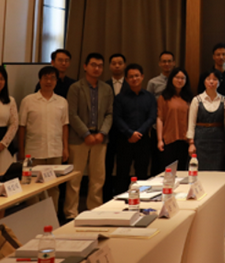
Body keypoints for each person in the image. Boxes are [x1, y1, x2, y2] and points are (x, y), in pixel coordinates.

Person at [65, 53, 114, 220]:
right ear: (85, 66)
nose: (97, 68)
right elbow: (72, 114)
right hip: (79, 139)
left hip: (100, 139)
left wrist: (102, 133)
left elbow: (109, 114)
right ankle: (71, 213)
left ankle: (95, 211)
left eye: (100, 65)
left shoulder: (107, 89)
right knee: (75, 179)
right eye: (93, 65)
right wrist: (86, 133)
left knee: (98, 178)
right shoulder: (75, 88)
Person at [18, 66, 69, 210]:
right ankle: (35, 218)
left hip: (55, 151)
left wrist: (65, 148)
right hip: (33, 152)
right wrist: (21, 151)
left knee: (53, 188)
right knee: (32, 188)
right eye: (45, 78)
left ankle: (52, 219)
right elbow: (22, 127)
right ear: (39, 80)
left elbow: (65, 126)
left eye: (52, 78)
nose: (49, 81)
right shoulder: (28, 100)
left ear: (56, 81)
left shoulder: (62, 102)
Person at [114, 64, 157, 194]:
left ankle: (142, 199)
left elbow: (152, 117)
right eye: (131, 77)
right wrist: (130, 133)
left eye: (137, 76)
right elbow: (117, 118)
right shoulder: (120, 98)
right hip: (124, 140)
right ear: (126, 79)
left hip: (143, 140)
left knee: (142, 173)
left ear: (142, 76)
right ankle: (119, 201)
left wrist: (139, 133)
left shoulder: (149, 97)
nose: (134, 79)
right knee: (122, 172)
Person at [188, 70, 225, 171]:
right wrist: (191, 143)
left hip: (218, 141)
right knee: (200, 169)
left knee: (218, 170)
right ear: (204, 82)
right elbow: (191, 123)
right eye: (208, 79)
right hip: (200, 140)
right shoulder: (196, 100)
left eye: (215, 79)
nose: (211, 82)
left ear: (219, 82)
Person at [157, 68, 192, 171]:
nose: (180, 80)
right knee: (169, 171)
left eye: (183, 78)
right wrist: (159, 140)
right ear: (171, 79)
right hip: (169, 139)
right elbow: (160, 118)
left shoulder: (189, 98)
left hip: (185, 139)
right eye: (177, 77)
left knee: (182, 171)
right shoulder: (164, 97)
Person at [103, 52, 126, 201]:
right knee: (106, 167)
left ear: (124, 65)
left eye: (120, 63)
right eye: (114, 63)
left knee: (123, 168)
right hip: (107, 133)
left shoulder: (132, 85)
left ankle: (122, 196)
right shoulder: (103, 85)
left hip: (125, 133)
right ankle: (106, 198)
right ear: (110, 66)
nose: (117, 66)